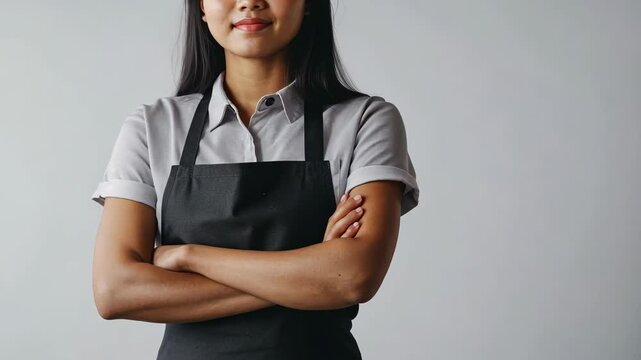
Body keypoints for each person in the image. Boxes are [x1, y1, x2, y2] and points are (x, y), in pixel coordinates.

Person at [90, 0, 420, 359]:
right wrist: (313, 277)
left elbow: (354, 276)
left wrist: (189, 257)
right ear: (201, 6)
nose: (249, 2)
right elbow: (114, 291)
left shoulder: (365, 121)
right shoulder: (152, 128)